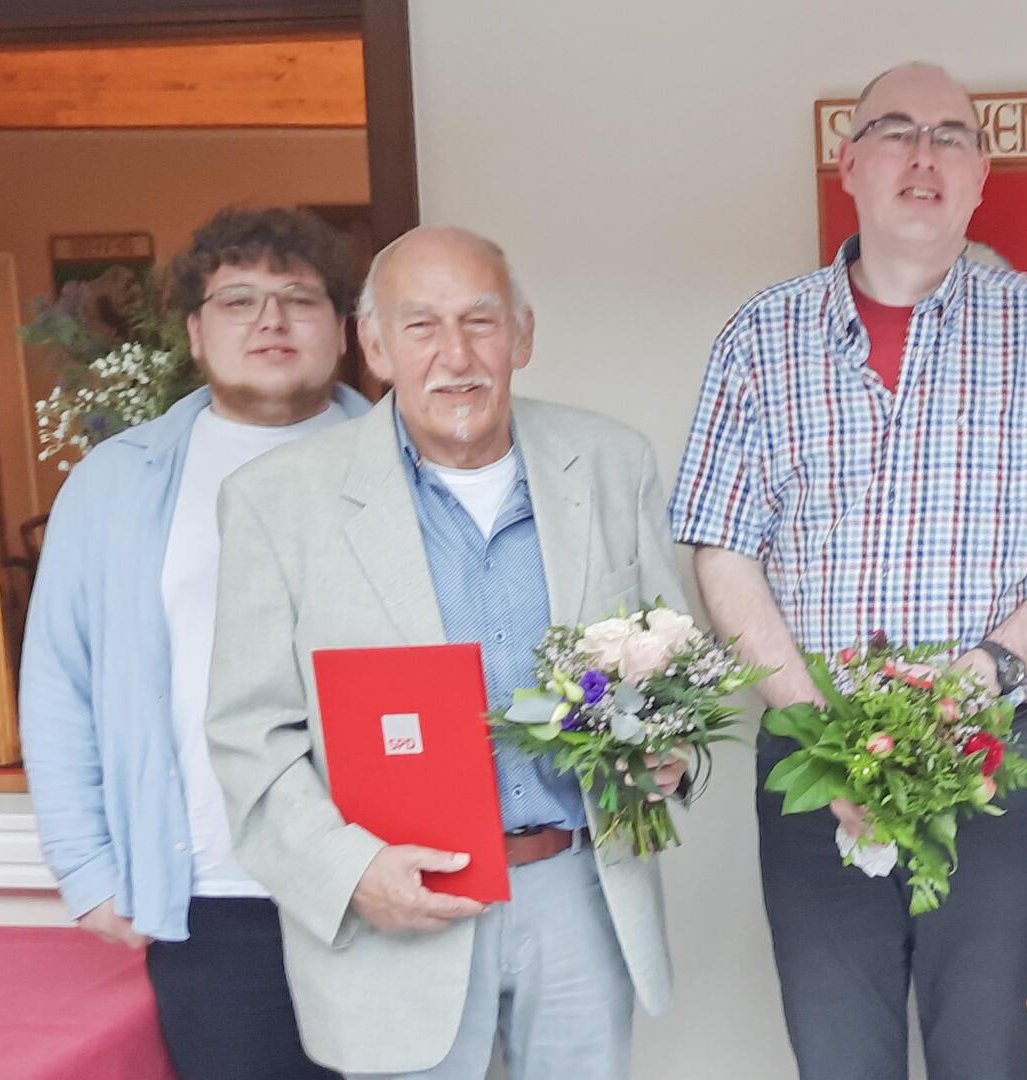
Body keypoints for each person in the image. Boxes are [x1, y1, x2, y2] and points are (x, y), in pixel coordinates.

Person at [670, 61, 1027, 1080]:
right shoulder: (762, 339)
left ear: (982, 175)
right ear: (849, 165)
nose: (924, 154)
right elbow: (722, 549)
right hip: (814, 761)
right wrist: (818, 730)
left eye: (951, 135)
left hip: (993, 758)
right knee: (838, 1058)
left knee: (988, 1056)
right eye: (896, 132)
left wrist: (991, 663)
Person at [205, 225, 686, 1079]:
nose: (455, 355)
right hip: (400, 907)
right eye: (421, 326)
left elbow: (673, 666)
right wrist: (349, 872)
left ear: (524, 336)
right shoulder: (277, 504)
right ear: (376, 345)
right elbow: (249, 735)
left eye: (481, 321)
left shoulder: (612, 463)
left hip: (580, 891)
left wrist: (672, 748)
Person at [20, 206, 371, 1079]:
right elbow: (59, 680)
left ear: (343, 327)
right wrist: (88, 867)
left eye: (298, 297)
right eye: (238, 299)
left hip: (383, 882)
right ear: (194, 330)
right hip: (213, 893)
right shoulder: (117, 483)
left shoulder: (406, 465)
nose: (270, 320)